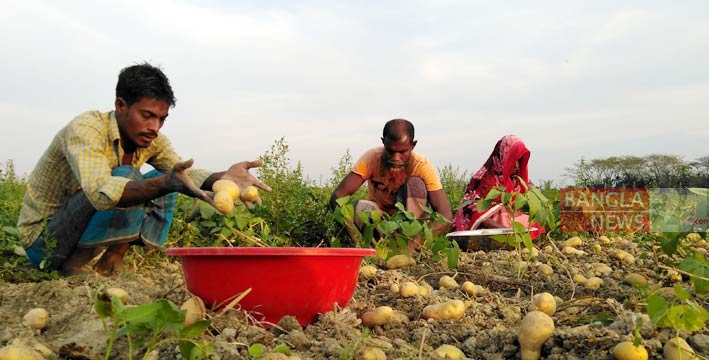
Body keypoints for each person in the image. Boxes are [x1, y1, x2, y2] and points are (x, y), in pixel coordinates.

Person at [17, 63, 270, 276]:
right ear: (121, 105)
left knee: (162, 177)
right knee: (127, 178)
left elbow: (181, 172)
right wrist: (164, 184)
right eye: (147, 115)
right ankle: (70, 272)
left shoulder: (151, 140)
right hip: (45, 244)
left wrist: (223, 177)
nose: (155, 127)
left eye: (161, 119)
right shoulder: (87, 129)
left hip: (77, 235)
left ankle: (110, 263)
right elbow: (98, 192)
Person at [329, 118, 452, 236]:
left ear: (413, 145)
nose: (395, 158)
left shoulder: (422, 166)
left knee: (416, 185)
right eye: (390, 151)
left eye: (402, 152)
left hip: (409, 230)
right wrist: (356, 238)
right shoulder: (372, 158)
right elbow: (338, 196)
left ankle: (409, 245)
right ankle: (371, 246)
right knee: (362, 208)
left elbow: (446, 215)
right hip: (379, 224)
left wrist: (416, 242)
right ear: (383, 143)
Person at [452, 134, 544, 239]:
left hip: (512, 228)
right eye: (514, 159)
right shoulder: (486, 180)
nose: (517, 165)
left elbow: (534, 202)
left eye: (520, 160)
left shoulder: (519, 179)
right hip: (490, 230)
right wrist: (506, 232)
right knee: (500, 212)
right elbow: (476, 212)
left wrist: (533, 193)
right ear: (503, 156)